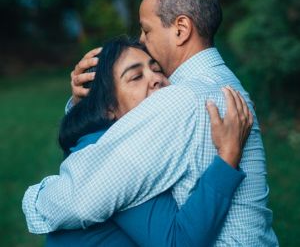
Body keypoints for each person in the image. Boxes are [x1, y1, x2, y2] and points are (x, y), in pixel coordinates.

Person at [23, 0, 278, 246]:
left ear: (181, 29)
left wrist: (35, 199)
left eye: (146, 30)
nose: (143, 41)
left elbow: (80, 199)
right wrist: (86, 101)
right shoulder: (223, 84)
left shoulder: (181, 99)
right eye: (136, 76)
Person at [46, 36, 248, 246]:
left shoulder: (107, 139)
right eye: (136, 77)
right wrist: (228, 155)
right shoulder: (119, 157)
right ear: (108, 108)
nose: (156, 79)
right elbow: (178, 242)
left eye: (157, 69)